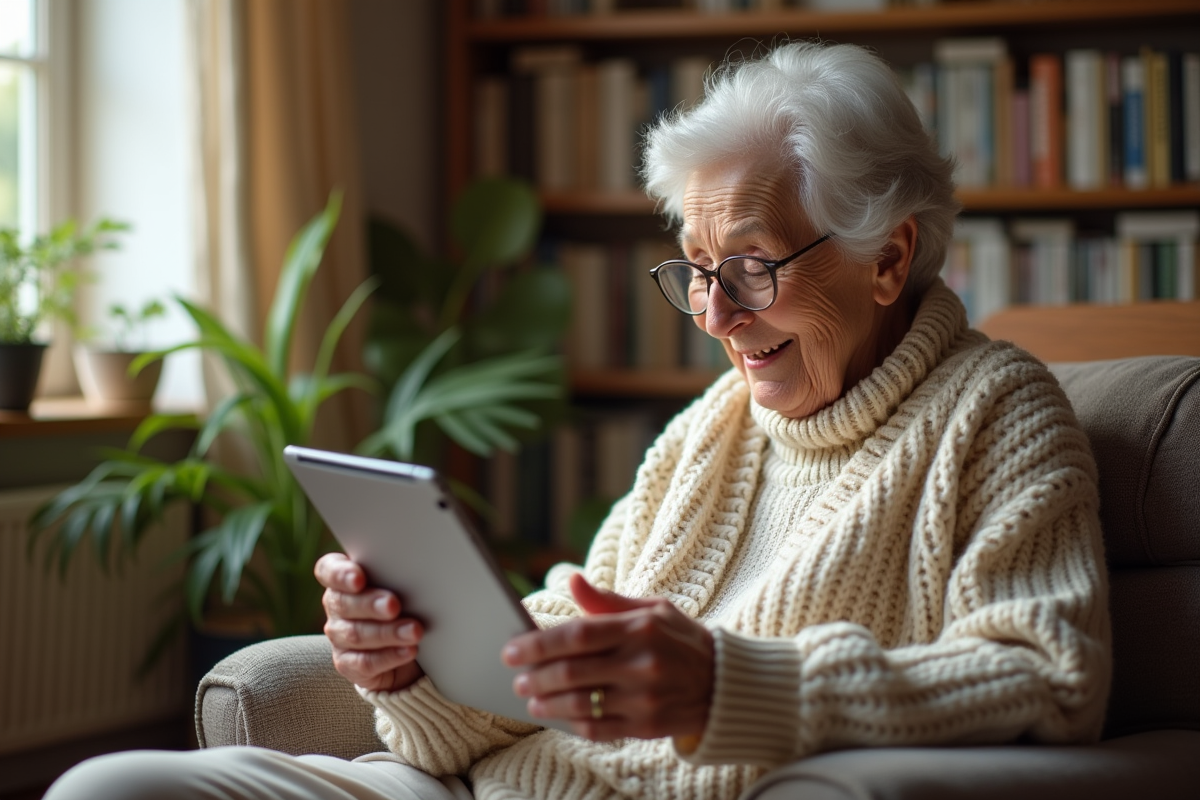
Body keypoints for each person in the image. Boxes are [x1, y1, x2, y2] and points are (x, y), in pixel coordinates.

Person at [45, 40, 1110, 800]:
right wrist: (415, 662)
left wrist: (733, 686)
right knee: (111, 783)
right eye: (694, 271)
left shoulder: (997, 411)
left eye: (746, 266)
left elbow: (1048, 672)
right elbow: (560, 651)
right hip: (497, 782)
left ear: (888, 257)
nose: (714, 313)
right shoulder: (709, 432)